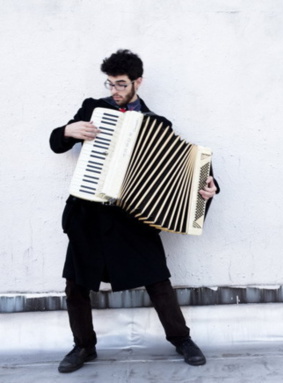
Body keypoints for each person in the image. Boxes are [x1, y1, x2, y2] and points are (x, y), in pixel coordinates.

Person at [49, 49, 219, 373]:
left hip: (132, 220)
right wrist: (69, 131)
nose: (114, 91)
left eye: (121, 84)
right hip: (88, 214)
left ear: (138, 82)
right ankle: (83, 346)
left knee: (158, 280)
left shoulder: (157, 123)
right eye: (110, 84)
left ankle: (181, 339)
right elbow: (57, 142)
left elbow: (182, 165)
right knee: (76, 284)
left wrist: (211, 187)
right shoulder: (93, 109)